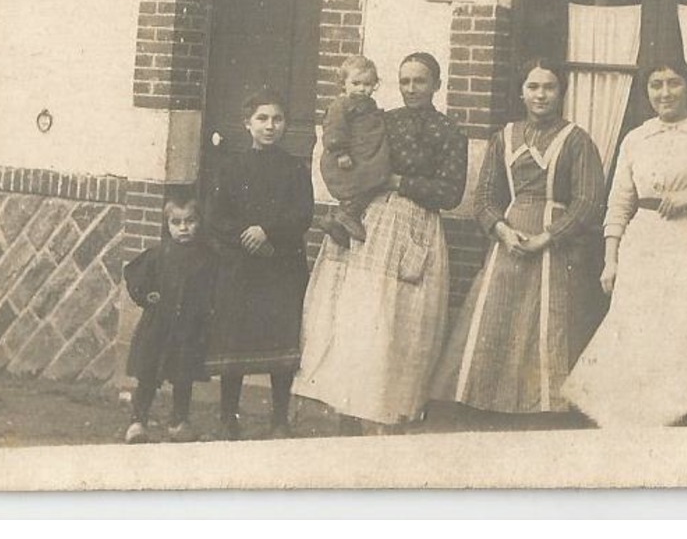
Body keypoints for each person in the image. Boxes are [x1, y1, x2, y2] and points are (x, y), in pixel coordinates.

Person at [296, 52, 467, 430]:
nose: (411, 89)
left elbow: (451, 192)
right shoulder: (382, 120)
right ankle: (348, 406)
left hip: (416, 224)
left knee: (398, 319)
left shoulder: (450, 132)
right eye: (404, 81)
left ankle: (389, 410)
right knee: (360, 313)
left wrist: (399, 183)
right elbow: (350, 147)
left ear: (437, 85)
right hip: (371, 220)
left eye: (419, 81)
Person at [430, 58, 607, 418]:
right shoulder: (504, 137)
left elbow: (589, 200)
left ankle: (543, 404)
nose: (541, 95)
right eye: (533, 87)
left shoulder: (576, 140)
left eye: (549, 87)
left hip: (555, 244)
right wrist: (502, 231)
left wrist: (549, 237)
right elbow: (484, 198)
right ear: (521, 93)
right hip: (508, 239)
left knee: (548, 319)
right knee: (496, 314)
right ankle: (489, 401)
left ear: (561, 93)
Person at [562, 58, 687, 427]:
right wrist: (611, 259)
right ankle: (628, 415)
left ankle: (670, 414)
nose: (665, 93)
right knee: (633, 324)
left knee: (677, 325)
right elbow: (619, 202)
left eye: (673, 83)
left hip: (686, 242)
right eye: (656, 85)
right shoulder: (636, 138)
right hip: (641, 241)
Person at [202, 89, 315, 440]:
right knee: (234, 342)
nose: (270, 126)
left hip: (280, 266)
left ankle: (279, 418)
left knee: (280, 342)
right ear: (247, 124)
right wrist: (246, 237)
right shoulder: (230, 166)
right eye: (262, 119)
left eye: (277, 119)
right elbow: (215, 216)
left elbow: (302, 215)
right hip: (240, 266)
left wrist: (269, 233)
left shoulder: (295, 168)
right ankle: (227, 416)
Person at [122, 192, 216, 444]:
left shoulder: (206, 258)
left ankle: (179, 421)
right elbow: (134, 275)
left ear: (199, 222)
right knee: (148, 376)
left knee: (183, 376)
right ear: (167, 225)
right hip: (158, 327)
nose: (183, 228)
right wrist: (146, 295)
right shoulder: (158, 254)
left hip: (188, 329)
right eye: (176, 223)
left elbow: (213, 288)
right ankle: (138, 421)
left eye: (190, 221)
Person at [318, 55, 392, 247]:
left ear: (375, 84)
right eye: (356, 83)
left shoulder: (369, 105)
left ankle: (336, 223)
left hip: (365, 155)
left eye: (367, 84)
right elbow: (335, 128)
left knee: (373, 180)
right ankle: (346, 214)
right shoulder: (341, 105)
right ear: (344, 84)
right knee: (359, 184)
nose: (361, 89)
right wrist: (340, 151)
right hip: (349, 156)